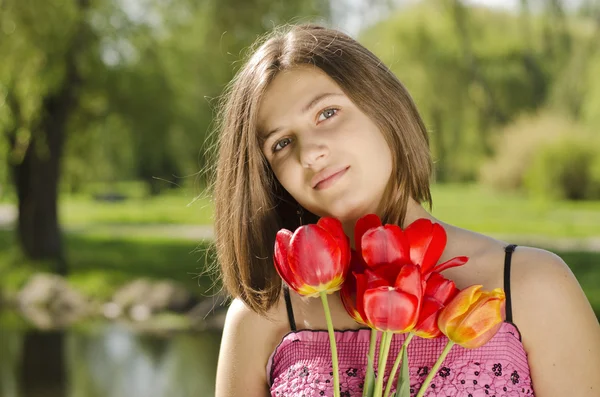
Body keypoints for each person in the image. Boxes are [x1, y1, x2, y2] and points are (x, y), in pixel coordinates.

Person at [213, 23, 600, 397]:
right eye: (281, 143)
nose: (311, 153)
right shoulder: (260, 320)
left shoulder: (532, 286)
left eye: (327, 113)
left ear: (384, 107)